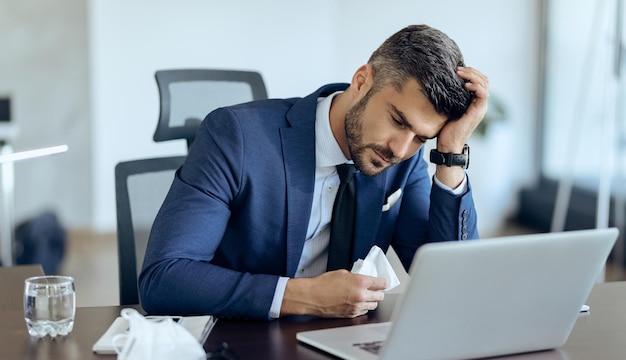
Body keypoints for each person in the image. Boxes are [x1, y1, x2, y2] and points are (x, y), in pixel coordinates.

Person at [139, 24, 489, 320]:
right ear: (362, 80)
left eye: (420, 138)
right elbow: (164, 279)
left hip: (341, 356)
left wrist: (451, 154)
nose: (399, 149)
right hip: (240, 350)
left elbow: (453, 288)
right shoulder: (236, 135)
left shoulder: (404, 159)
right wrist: (301, 296)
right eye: (397, 120)